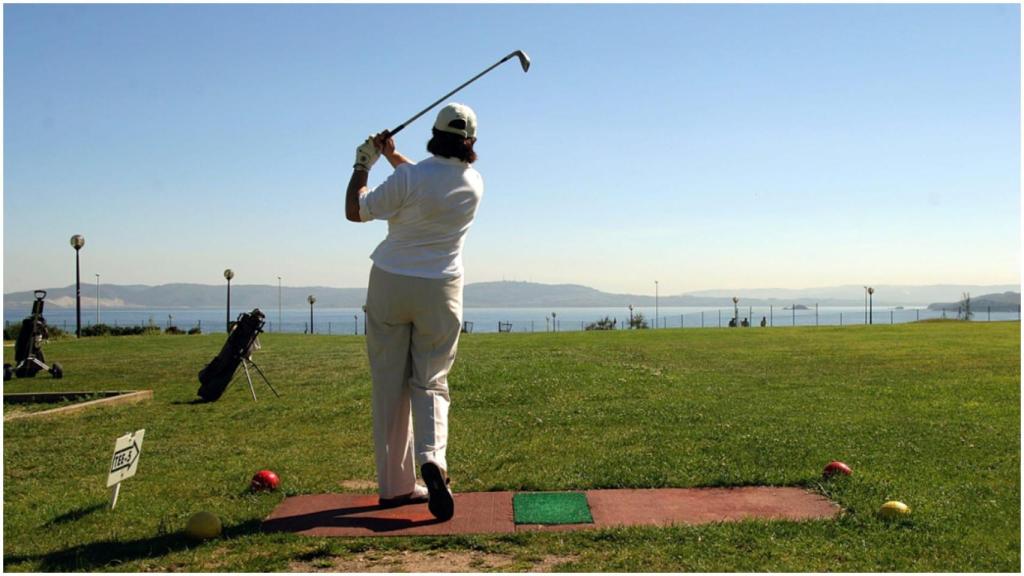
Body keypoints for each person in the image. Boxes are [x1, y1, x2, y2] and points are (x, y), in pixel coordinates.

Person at [344, 103, 484, 521]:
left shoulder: (408, 178)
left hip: (390, 282)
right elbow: (426, 179)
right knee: (431, 382)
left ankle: (395, 487)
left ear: (434, 134)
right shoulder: (474, 182)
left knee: (389, 385)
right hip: (441, 290)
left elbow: (356, 210)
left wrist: (363, 165)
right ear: (470, 142)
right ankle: (432, 461)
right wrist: (391, 154)